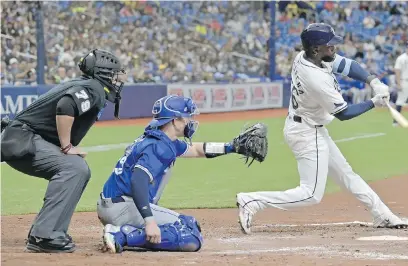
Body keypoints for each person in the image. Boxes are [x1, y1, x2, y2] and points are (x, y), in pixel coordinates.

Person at [236, 23, 408, 235]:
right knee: (311, 194)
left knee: (347, 175)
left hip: (311, 127)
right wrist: (374, 102)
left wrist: (373, 80)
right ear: (316, 49)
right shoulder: (315, 79)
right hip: (305, 132)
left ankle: (381, 214)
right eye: (329, 45)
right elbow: (343, 114)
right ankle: (251, 200)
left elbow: (346, 65)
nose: (334, 48)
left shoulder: (310, 56)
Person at [99, 95, 267, 253]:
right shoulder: (159, 147)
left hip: (115, 204)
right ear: (175, 120)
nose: (190, 121)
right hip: (123, 207)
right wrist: (149, 220)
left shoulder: (161, 139)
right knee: (190, 236)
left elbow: (196, 150)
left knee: (189, 223)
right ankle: (121, 234)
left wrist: (231, 147)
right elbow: (138, 181)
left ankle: (126, 231)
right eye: (187, 117)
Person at [1, 49, 125, 253]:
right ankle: (45, 236)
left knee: (77, 168)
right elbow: (66, 106)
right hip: (22, 139)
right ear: (102, 72)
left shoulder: (87, 85)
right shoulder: (94, 87)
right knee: (74, 168)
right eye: (114, 73)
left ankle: (44, 231)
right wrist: (67, 146)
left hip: (21, 137)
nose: (117, 79)